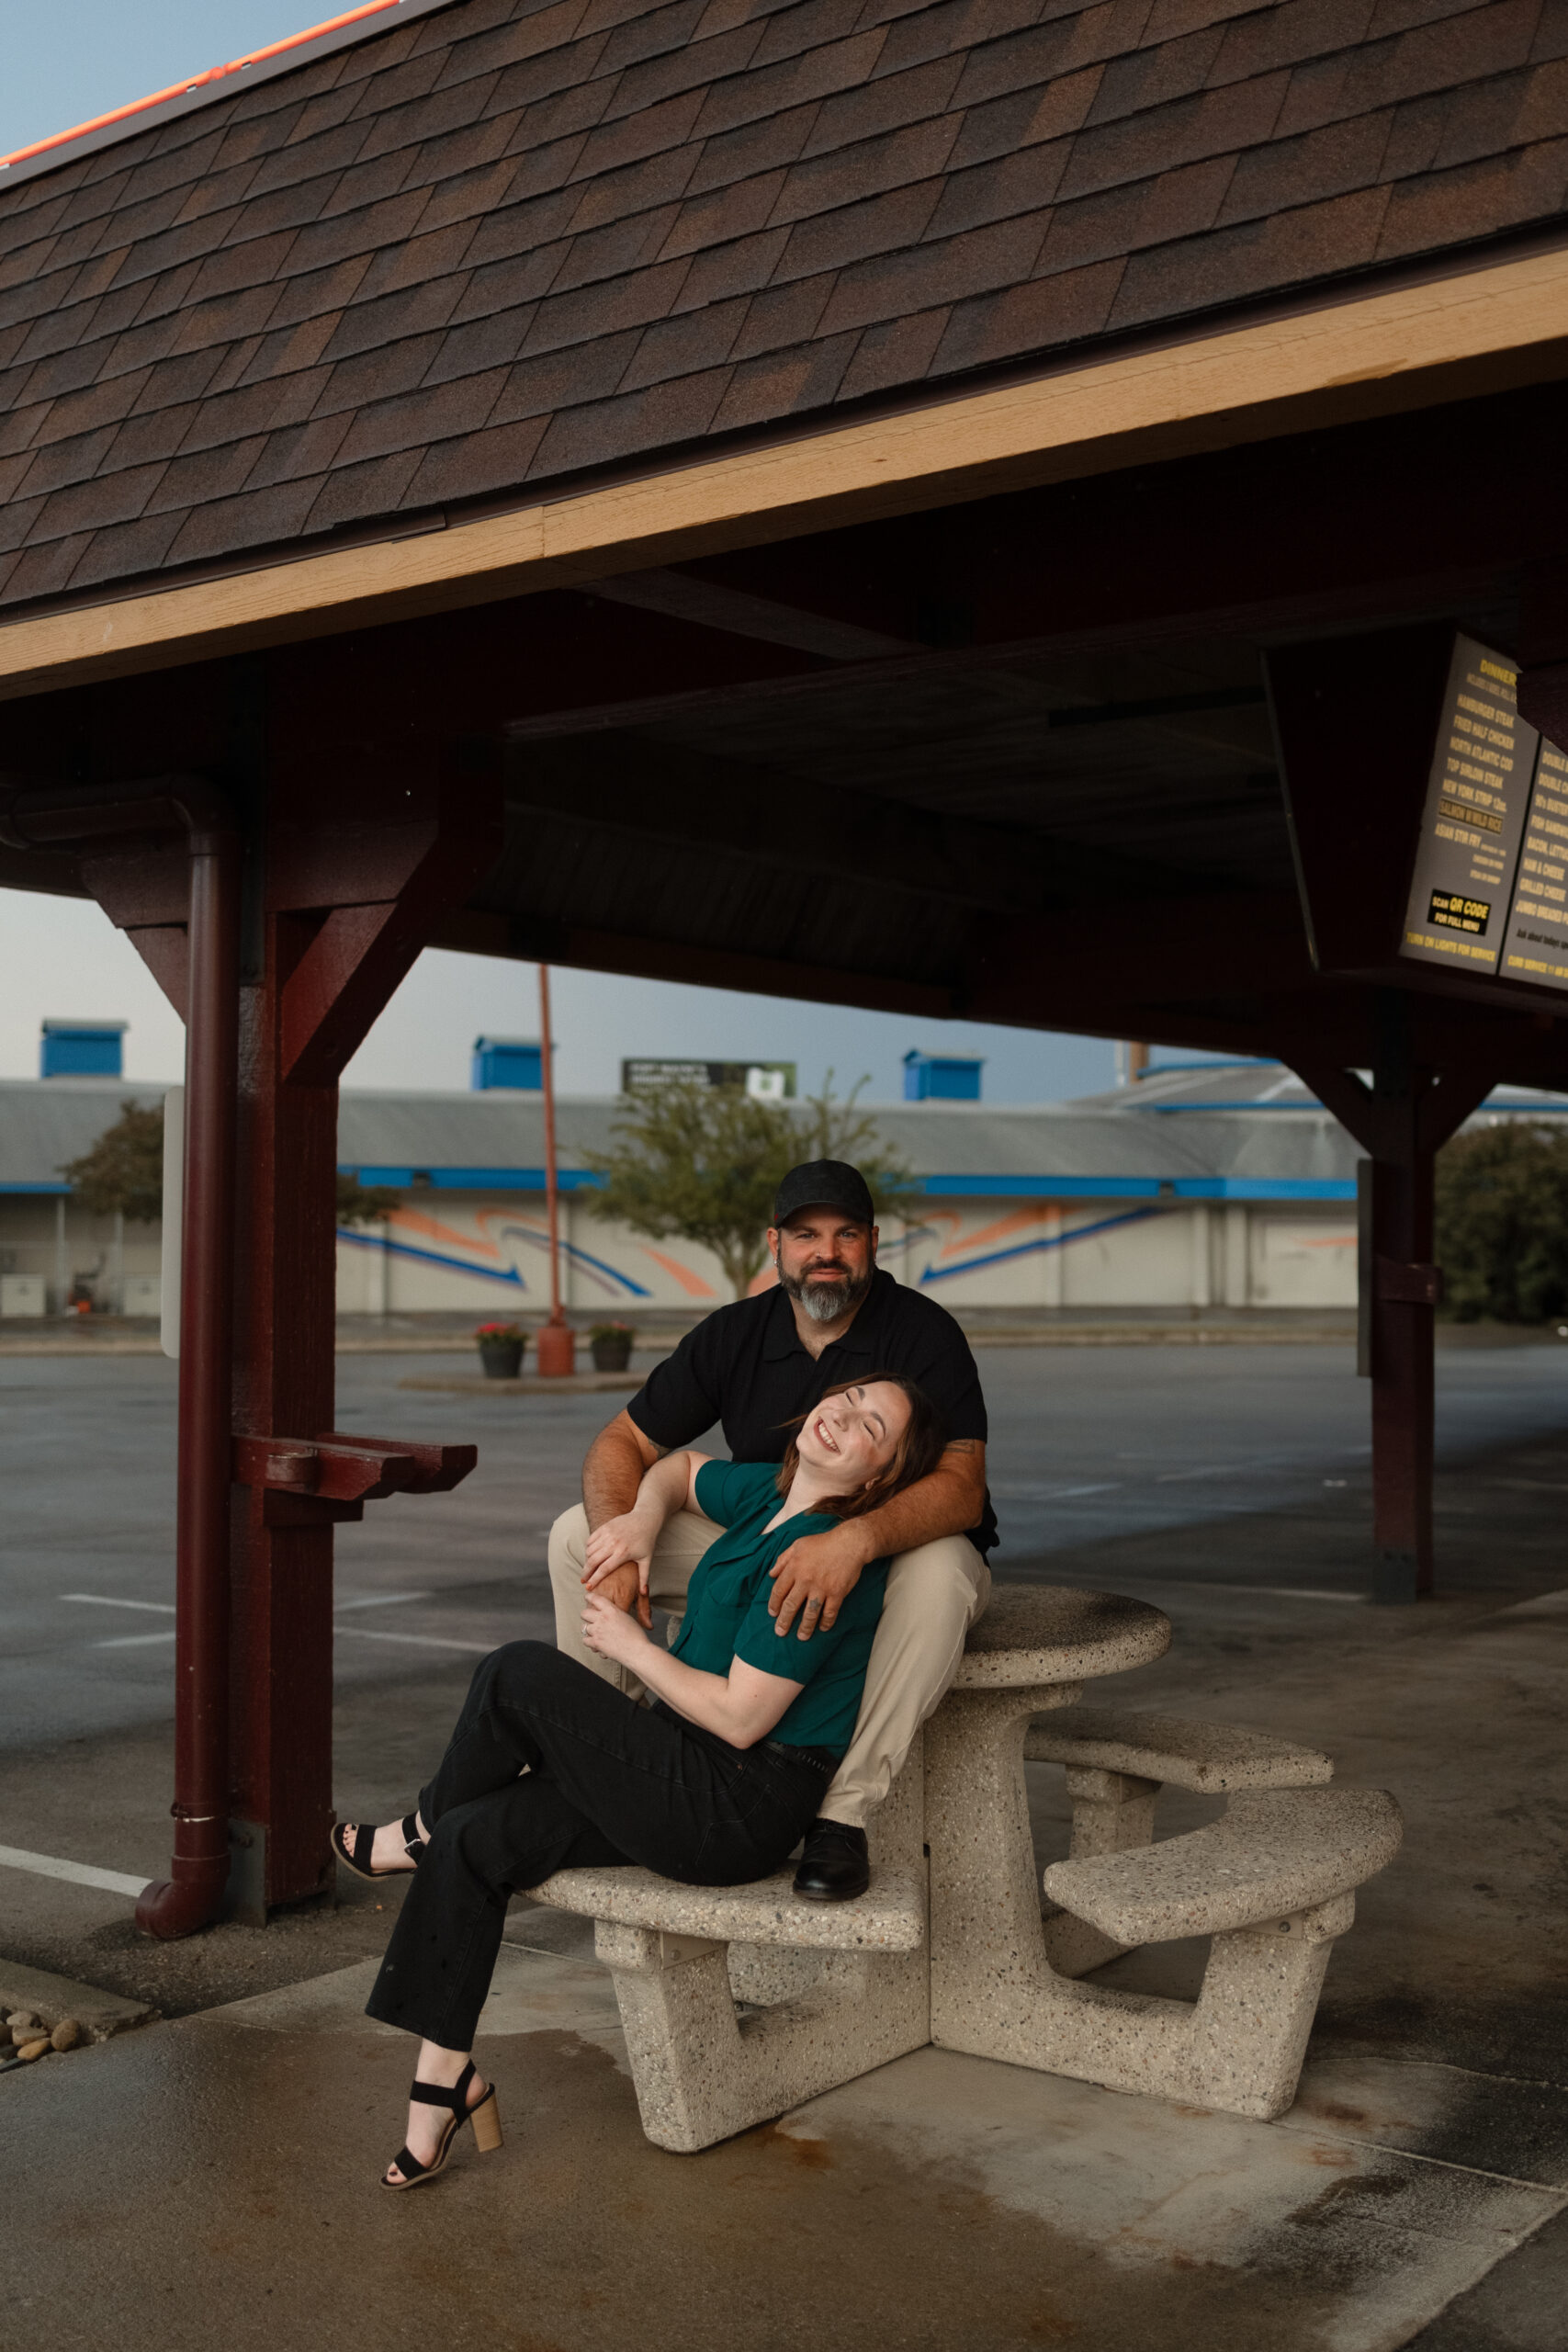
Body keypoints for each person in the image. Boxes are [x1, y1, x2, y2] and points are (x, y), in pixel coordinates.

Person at [335, 1373, 944, 2190]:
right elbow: (677, 1468)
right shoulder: (769, 1497)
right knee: (477, 1835)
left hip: (734, 1804)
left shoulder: (824, 1563)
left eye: (872, 1425)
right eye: (849, 1396)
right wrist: (642, 1524)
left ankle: (413, 1831)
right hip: (676, 1763)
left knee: (517, 1673)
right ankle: (442, 2090)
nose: (845, 1414)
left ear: (876, 1479)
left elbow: (740, 1718)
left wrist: (626, 1644)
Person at [549, 1158, 996, 1902]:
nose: (825, 1252)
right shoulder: (734, 1333)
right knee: (577, 1534)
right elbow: (621, 1445)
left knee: (942, 1574)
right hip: (767, 1544)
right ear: (775, 1246)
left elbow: (962, 1488)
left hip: (890, 1557)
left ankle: (841, 1816)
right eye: (805, 1235)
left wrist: (852, 1541)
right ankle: (608, 1763)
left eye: (844, 1234)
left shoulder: (923, 1332)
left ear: (873, 1243)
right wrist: (628, 1534)